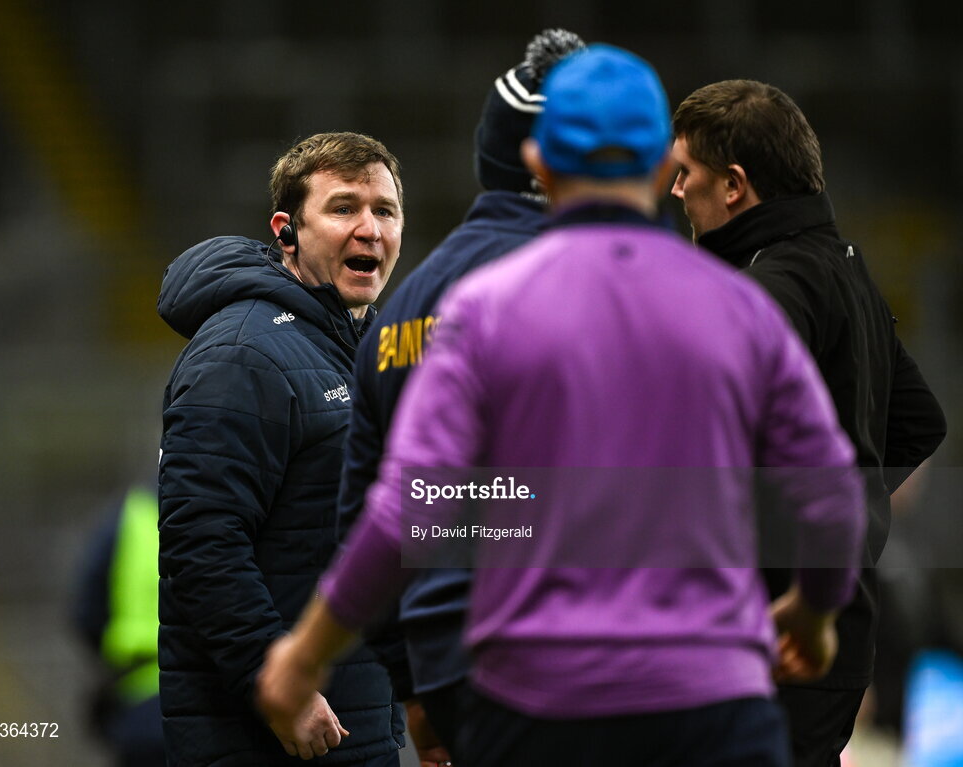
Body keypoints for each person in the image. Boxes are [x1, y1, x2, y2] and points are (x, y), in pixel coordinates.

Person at [255, 45, 868, 767]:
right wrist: (815, 614)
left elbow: (411, 508)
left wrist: (306, 652)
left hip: (540, 709)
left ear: (540, 167)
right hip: (716, 707)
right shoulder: (739, 308)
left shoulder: (482, 312)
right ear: (664, 172)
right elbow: (830, 495)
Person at [670, 80, 947, 767]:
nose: (675, 192)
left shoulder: (766, 290)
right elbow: (918, 422)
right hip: (837, 630)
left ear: (733, 186)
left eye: (686, 174)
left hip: (768, 630)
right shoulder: (842, 268)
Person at [337, 28, 585, 764]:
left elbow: (367, 520)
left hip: (453, 676)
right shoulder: (588, 282)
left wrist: (416, 688)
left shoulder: (399, 312)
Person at [157, 132, 406, 767]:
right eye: (344, 208)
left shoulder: (358, 347)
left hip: (354, 714)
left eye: (385, 209)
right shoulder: (242, 352)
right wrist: (278, 683)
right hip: (271, 733)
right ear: (286, 230)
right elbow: (201, 537)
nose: (370, 229)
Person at [74, 483, 164, 767]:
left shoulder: (130, 515)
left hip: (140, 704)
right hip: (221, 700)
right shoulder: (235, 510)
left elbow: (86, 612)